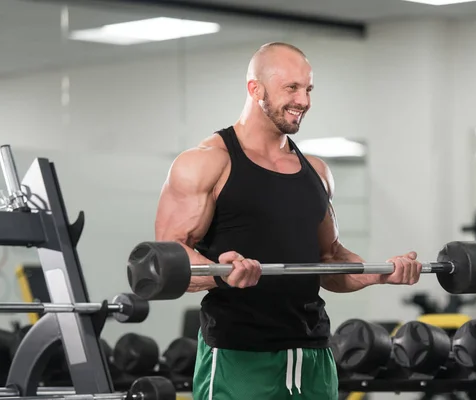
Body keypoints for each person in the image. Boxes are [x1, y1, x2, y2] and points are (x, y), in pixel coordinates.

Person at [154, 42, 423, 400]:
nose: (304, 100)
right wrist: (219, 272)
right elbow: (170, 258)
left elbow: (329, 261)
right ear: (255, 89)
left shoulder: (317, 172)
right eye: (291, 88)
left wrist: (380, 272)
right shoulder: (206, 162)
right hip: (240, 353)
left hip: (313, 352)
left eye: (308, 89)